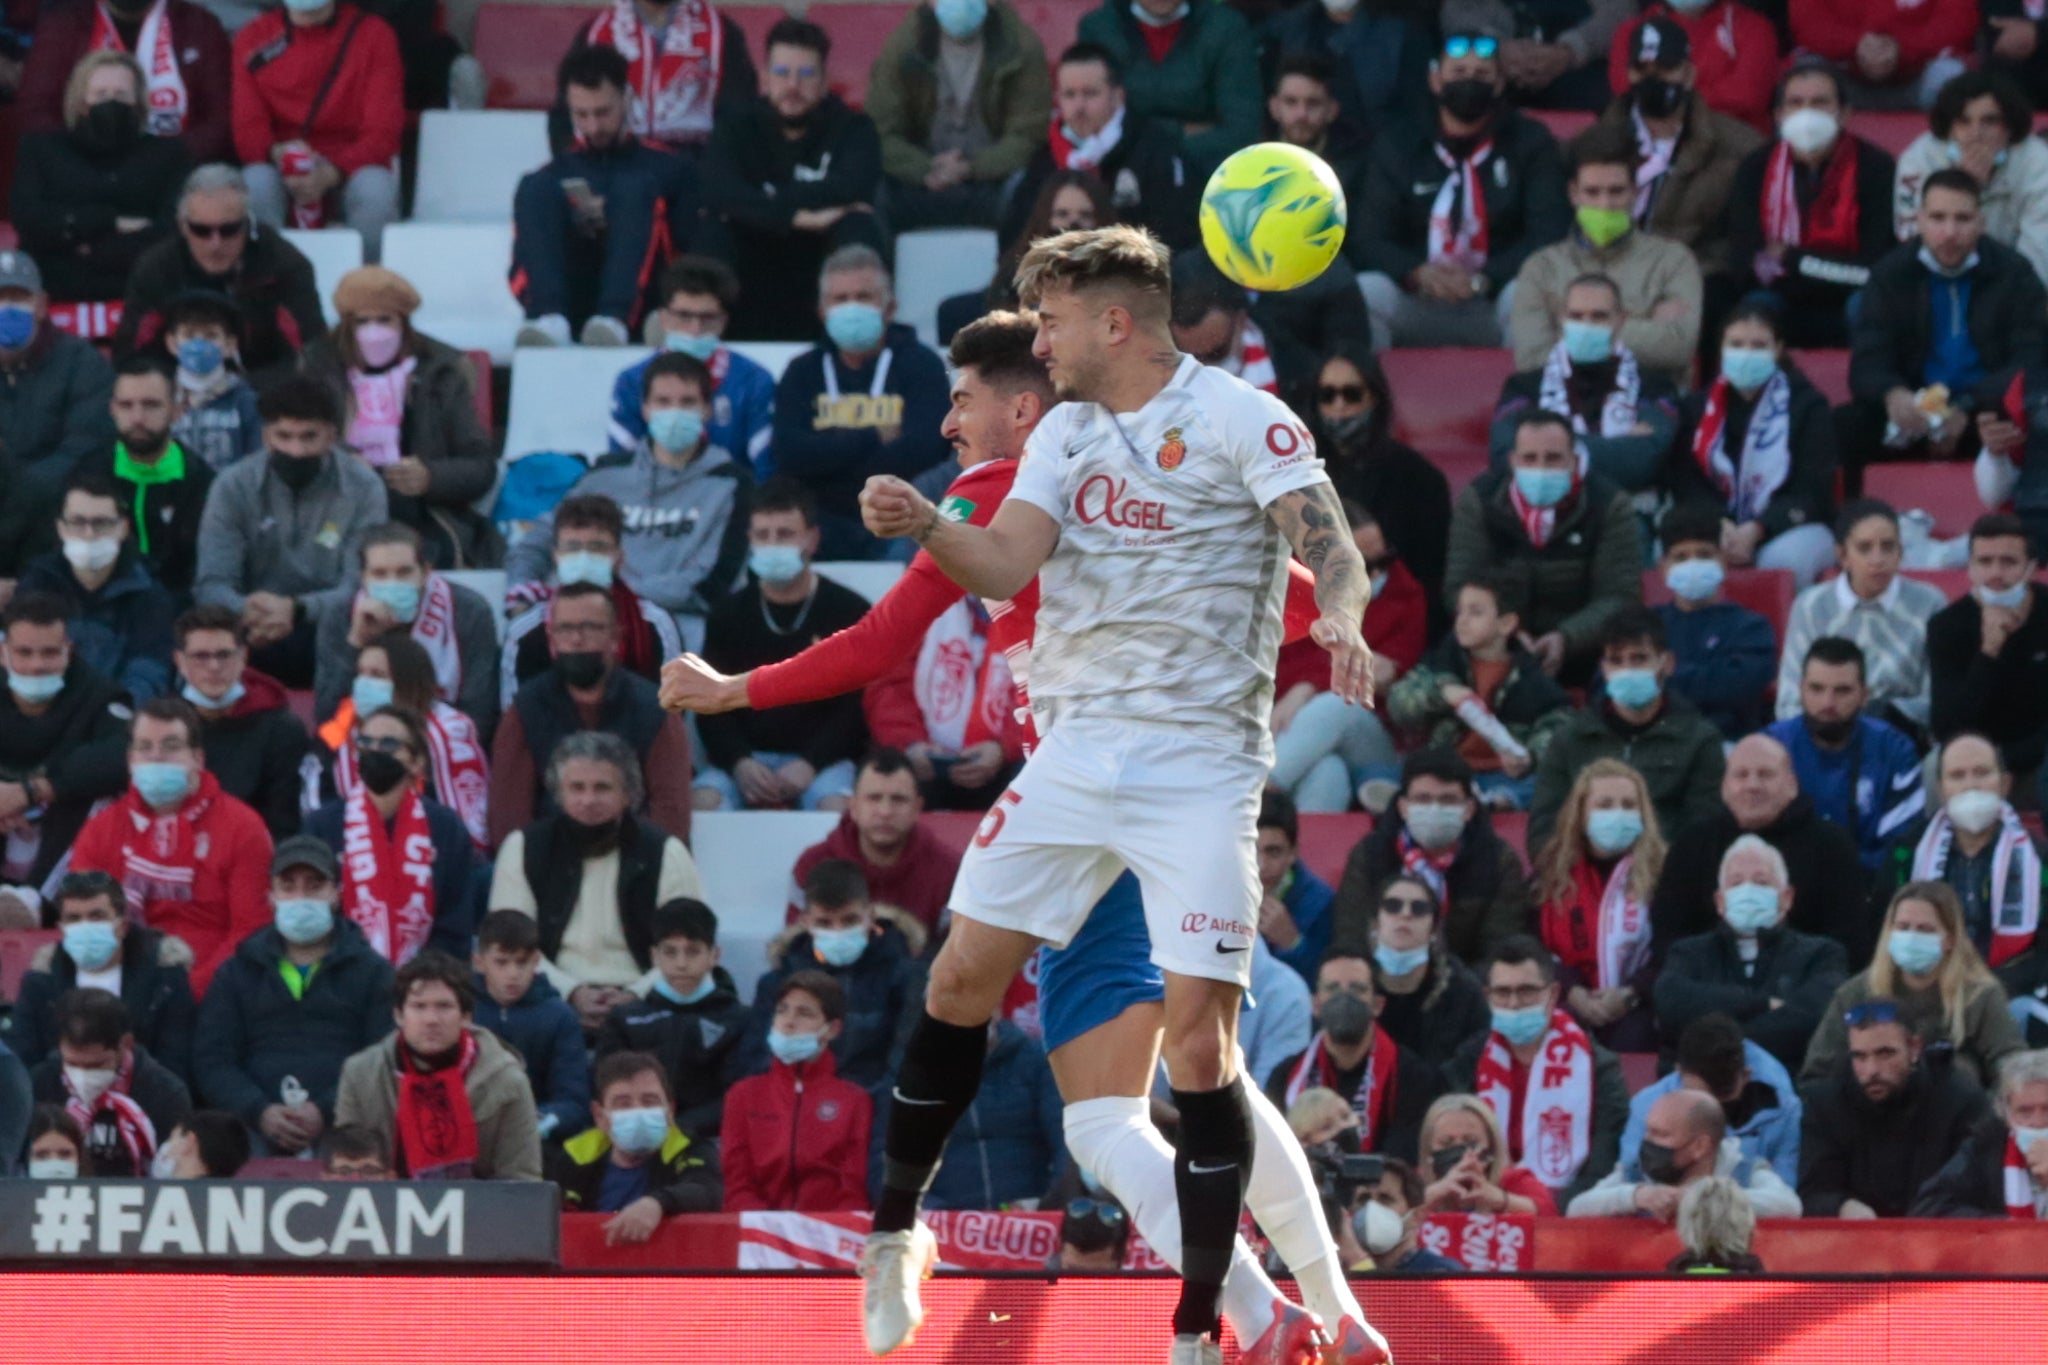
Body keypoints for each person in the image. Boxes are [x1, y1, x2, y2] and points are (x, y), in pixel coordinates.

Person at [662, 306, 1375, 1363]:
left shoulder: (998, 490)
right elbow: (1296, 584)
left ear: (1022, 407)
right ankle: (1327, 1315)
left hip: (1097, 801)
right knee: (1185, 1083)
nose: (947, 425)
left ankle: (1270, 1319)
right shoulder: (1144, 474)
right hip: (1149, 799)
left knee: (1109, 1111)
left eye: (960, 402)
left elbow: (876, 644)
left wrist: (734, 691)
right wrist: (1342, 615)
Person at [846, 222, 1377, 1362]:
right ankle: (895, 1235)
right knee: (956, 977)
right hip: (1079, 758)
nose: (1039, 340)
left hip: (1198, 772)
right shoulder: (1067, 436)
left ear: (1113, 322)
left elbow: (1331, 547)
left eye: (1049, 319)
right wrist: (932, 521)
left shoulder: (1242, 419)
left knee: (1198, 1055)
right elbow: (1004, 563)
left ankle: (1213, 1322)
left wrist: (1340, 612)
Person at [511, 353, 752, 643]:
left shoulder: (732, 484)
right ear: (646, 409)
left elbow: (713, 583)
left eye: (687, 403)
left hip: (678, 627)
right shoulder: (603, 474)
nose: (674, 412)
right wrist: (521, 589)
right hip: (582, 619)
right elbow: (539, 539)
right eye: (663, 402)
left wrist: (620, 595)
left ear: (707, 410)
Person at [1351, 32, 1568, 350]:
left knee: (1529, 294)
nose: (1470, 81)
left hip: (1492, 298)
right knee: (1367, 291)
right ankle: (1366, 397)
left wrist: (1484, 279)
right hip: (1417, 297)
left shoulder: (1530, 142)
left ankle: (1524, 399)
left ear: (1499, 84)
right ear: (1436, 80)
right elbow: (1369, 237)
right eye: (1459, 73)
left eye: (1482, 74)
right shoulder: (1399, 144)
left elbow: (1546, 235)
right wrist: (1416, 273)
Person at [192, 835, 394, 1155]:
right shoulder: (236, 973)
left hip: (346, 1124)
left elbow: (384, 1056)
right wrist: (259, 1110)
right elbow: (212, 1061)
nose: (301, 897)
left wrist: (326, 1109)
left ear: (336, 895)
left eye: (314, 885)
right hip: (253, 1126)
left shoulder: (374, 972)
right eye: (288, 886)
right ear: (270, 897)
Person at [487, 732, 705, 1030]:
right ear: (558, 793)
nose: (588, 800)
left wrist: (636, 995)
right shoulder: (524, 848)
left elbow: (694, 945)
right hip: (550, 999)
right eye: (576, 788)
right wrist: (571, 992)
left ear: (628, 794)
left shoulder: (666, 851)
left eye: (602, 788)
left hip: (648, 1000)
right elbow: (508, 944)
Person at [1845, 170, 2048, 484]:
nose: (1949, 232)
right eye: (1938, 218)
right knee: (1843, 425)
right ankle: (1858, 523)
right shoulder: (1891, 274)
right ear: (1919, 220)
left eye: (1962, 219)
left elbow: (2029, 361)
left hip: (1987, 413)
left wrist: (1967, 409)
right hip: (1912, 415)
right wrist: (1892, 393)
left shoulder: (2014, 274)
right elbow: (1868, 361)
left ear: (1981, 222)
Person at [192, 373, 389, 688]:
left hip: (332, 628)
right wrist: (250, 611)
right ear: (266, 435)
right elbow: (212, 583)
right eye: (284, 436)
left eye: (309, 437)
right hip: (250, 628)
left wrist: (297, 610)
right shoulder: (232, 486)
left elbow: (359, 585)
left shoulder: (364, 488)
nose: (295, 451)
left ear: (332, 436)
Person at [67, 697, 272, 995]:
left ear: (197, 759)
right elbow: (82, 922)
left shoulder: (242, 827)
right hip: (121, 995)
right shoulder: (101, 830)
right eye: (144, 747)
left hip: (216, 994)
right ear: (130, 759)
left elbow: (250, 933)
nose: (156, 757)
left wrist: (188, 993)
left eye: (171, 746)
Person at [698, 18, 885, 344]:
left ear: (825, 80)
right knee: (712, 229)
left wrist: (763, 199)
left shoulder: (853, 127)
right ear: (765, 77)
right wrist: (794, 217)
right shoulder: (736, 127)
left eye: (806, 74)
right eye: (782, 73)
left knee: (858, 224)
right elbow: (720, 191)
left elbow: (854, 186)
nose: (793, 86)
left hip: (819, 252)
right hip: (754, 250)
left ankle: (856, 333)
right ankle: (698, 331)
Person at [300, 269, 498, 570]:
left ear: (404, 323)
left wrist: (431, 477)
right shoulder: (319, 369)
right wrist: (342, 461)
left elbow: (481, 466)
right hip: (336, 507)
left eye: (385, 320)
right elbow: (295, 442)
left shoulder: (443, 372)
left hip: (421, 512)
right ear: (345, 326)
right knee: (320, 559)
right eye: (362, 322)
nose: (374, 332)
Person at [692, 486, 871, 810]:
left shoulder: (849, 611)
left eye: (786, 534)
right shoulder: (726, 615)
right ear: (750, 539)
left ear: (812, 539)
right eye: (763, 534)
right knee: (703, 802)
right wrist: (739, 762)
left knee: (838, 808)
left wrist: (811, 763)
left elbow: (855, 706)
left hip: (823, 764)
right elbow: (710, 703)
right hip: (744, 761)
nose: (773, 544)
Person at [512, 46, 701, 349]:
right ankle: (549, 317)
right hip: (569, 301)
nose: (593, 126)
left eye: (602, 112)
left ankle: (615, 317)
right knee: (535, 188)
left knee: (635, 189)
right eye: (581, 115)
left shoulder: (671, 167)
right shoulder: (553, 175)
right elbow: (520, 267)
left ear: (627, 98)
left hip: (648, 306)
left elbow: (691, 251)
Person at [770, 247, 952, 561]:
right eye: (840, 299)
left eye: (863, 297)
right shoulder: (802, 371)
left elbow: (925, 451)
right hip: (821, 524)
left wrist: (828, 454)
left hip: (900, 518)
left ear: (890, 308)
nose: (851, 307)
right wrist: (873, 436)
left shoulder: (923, 365)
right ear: (822, 310)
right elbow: (789, 454)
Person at [1444, 410, 1643, 686]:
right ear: (1513, 461)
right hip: (1493, 644)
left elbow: (1619, 597)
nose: (1540, 468)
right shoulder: (1480, 500)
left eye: (1553, 458)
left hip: (1584, 655)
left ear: (1573, 461)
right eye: (1529, 458)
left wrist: (1567, 637)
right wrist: (1507, 632)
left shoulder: (1609, 505)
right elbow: (1458, 586)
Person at [487, 584, 697, 846]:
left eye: (589, 628)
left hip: (639, 865)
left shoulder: (654, 709)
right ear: (551, 638)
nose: (576, 639)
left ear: (615, 637)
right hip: (549, 866)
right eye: (565, 629)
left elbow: (671, 813)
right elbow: (508, 817)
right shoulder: (525, 708)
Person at [1666, 302, 1841, 589]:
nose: (1746, 354)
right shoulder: (1696, 407)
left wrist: (1758, 528)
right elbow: (1687, 482)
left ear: (1778, 349)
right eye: (1736, 344)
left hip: (1790, 526)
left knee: (1783, 560)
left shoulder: (1808, 406)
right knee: (1685, 553)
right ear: (1721, 348)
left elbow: (1813, 490)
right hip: (1715, 525)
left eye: (1758, 345)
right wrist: (1718, 523)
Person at [1447, 937, 1630, 1207]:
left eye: (1527, 991)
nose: (1513, 1003)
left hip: (1567, 1213)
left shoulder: (1597, 1066)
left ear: (1553, 994)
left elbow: (1603, 1161)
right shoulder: (1467, 1062)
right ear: (1488, 996)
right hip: (1483, 1206)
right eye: (1502, 992)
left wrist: (1545, 1210)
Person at [1726, 61, 1898, 348]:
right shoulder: (1755, 168)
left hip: (1851, 298)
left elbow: (1874, 268)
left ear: (1844, 114)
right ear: (1779, 116)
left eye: (1820, 102)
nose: (1807, 113)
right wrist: (1821, 269)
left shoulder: (1876, 167)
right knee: (1751, 312)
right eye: (1796, 103)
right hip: (1782, 299)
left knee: (1871, 308)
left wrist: (1793, 259)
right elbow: (1747, 264)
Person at [1267, 502, 1424, 812]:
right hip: (1291, 734)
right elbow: (1273, 669)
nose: (1379, 573)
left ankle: (1256, 795)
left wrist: (1307, 687)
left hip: (1375, 741)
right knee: (1328, 772)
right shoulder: (1293, 593)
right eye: (1364, 565)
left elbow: (1375, 675)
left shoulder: (1404, 595)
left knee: (1338, 703)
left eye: (1385, 559)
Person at [1529, 607, 1725, 854]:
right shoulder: (1570, 737)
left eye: (1639, 659)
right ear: (1603, 668)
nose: (1627, 670)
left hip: (1665, 877)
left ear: (1667, 664)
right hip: (1583, 878)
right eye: (1616, 661)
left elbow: (1703, 830)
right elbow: (1544, 828)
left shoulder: (1700, 740)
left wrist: (1649, 868)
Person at [1510, 130, 1702, 382]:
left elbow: (1677, 348)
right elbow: (1531, 359)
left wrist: (1572, 332)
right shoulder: (1541, 267)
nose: (1604, 204)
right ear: (1573, 193)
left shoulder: (1673, 261)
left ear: (1634, 192)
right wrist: (1636, 324)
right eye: (1592, 192)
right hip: (1562, 401)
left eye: (1616, 191)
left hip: (1648, 400)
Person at [1652, 732, 1874, 948]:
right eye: (1741, 775)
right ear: (1724, 787)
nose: (1752, 785)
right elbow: (1669, 938)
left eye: (1766, 774)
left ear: (1792, 785)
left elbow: (1848, 942)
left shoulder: (1832, 846)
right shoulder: (1692, 845)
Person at [334, 950, 543, 1180]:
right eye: (419, 1006)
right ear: (398, 1015)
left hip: (478, 1211)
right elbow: (347, 1172)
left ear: (466, 1016)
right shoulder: (360, 1073)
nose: (431, 1019)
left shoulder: (508, 1082)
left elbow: (522, 1183)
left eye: (444, 1006)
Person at [113, 165, 328, 387]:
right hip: (176, 398)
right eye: (201, 230)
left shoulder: (284, 266)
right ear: (183, 226)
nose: (215, 244)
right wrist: (187, 386)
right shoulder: (156, 269)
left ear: (247, 224)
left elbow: (310, 357)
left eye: (229, 230)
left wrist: (236, 389)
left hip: (264, 398)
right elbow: (131, 357)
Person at [1653, 834, 1851, 1072]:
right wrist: (1762, 1003)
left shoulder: (1822, 954)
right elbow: (1671, 1003)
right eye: (1736, 883)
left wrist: (1714, 1041)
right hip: (1696, 1091)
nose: (1748, 890)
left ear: (1786, 898)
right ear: (1720, 901)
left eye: (1761, 882)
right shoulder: (1688, 952)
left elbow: (1813, 1019)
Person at [1577, 18, 1761, 271]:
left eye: (1666, 67)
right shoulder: (1590, 145)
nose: (1653, 78)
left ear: (1689, 74)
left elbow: (1732, 246)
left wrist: (1674, 278)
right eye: (1642, 68)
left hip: (1688, 283)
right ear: (1628, 74)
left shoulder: (1738, 148)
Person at [1803, 882, 2026, 1089]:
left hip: (1956, 1118)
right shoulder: (1855, 993)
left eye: (1925, 929)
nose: (1911, 937)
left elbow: (2014, 1072)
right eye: (1903, 927)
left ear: (1949, 939)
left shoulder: (1980, 995)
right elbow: (1816, 1075)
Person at [12, 51, 190, 305]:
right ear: (82, 102)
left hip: (142, 291)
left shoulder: (169, 154)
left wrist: (89, 248)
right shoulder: (41, 148)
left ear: (138, 102)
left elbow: (172, 231)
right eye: (101, 94)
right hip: (55, 290)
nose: (111, 101)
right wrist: (109, 220)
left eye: (121, 95)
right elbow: (29, 219)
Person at [304, 703, 476, 965]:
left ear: (417, 762)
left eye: (388, 745)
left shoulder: (446, 828)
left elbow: (456, 924)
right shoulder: (322, 826)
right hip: (341, 977)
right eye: (365, 742)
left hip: (425, 985)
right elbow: (314, 920)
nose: (374, 751)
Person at [230, 0, 402, 257]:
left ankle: (368, 286)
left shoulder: (374, 35)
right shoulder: (252, 38)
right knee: (256, 183)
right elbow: (248, 130)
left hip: (350, 170)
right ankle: (264, 286)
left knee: (375, 189)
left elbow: (383, 133)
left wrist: (330, 173)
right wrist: (282, 155)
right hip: (282, 169)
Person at [738, 858, 926, 1091]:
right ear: (806, 923)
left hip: (872, 1107)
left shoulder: (904, 976)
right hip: (796, 1106)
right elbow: (755, 1063)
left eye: (849, 920)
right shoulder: (778, 981)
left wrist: (855, 1109)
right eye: (825, 923)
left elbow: (906, 1064)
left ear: (870, 916)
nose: (838, 932)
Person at [1329, 750, 1531, 967]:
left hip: (1464, 988)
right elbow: (1351, 939)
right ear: (1403, 807)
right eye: (1423, 799)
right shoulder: (1371, 854)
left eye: (1448, 800)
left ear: (1469, 808)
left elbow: (1497, 952)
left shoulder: (1498, 862)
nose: (1435, 809)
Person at [1386, 575, 1570, 813]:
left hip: (1501, 776)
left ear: (1506, 624)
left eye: (1475, 612)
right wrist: (1440, 695)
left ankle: (1496, 801)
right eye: (1460, 612)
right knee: (1375, 772)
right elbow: (1398, 706)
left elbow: (1555, 737)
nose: (1462, 621)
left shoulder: (1535, 683)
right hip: (1443, 774)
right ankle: (1461, 799)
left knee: (1549, 784)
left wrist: (1529, 758)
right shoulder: (1442, 663)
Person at [864, 0, 1049, 232]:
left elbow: (1027, 135)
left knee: (1036, 186)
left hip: (994, 181)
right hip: (918, 181)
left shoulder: (1021, 46)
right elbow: (879, 133)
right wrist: (924, 169)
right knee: (868, 190)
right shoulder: (902, 47)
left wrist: (973, 168)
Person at [1798, 999, 1991, 1218]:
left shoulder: (1960, 1098)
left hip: (1939, 1239)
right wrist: (1842, 1206)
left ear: (1915, 1048)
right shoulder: (1826, 1104)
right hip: (1854, 1241)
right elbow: (1813, 1191)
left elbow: (1979, 1188)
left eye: (1885, 1054)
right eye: (1860, 1057)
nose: (1871, 1070)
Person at [1490, 272, 1679, 495]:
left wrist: (1547, 451)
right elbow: (1504, 455)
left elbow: (1645, 463)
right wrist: (1618, 445)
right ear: (1561, 319)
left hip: (1627, 512)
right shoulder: (1523, 387)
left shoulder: (1655, 387)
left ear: (1621, 320)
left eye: (1598, 316)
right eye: (1576, 316)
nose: (1586, 325)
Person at [0, 594, 133, 899]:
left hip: (62, 830)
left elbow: (121, 756)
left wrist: (31, 792)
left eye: (49, 653)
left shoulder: (101, 695)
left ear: (68, 651)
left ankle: (44, 901)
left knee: (98, 792)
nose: (37, 665)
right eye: (24, 653)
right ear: (3, 653)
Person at [1890, 734, 2046, 990]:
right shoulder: (1907, 853)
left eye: (1982, 773)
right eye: (1958, 776)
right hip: (1925, 986)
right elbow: (1887, 929)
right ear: (1941, 790)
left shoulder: (2038, 857)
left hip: (2012, 990)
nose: (1971, 785)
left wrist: (1990, 990)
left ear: (2005, 784)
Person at [1773, 501, 1947, 731]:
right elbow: (1789, 702)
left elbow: (1937, 699)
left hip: (1901, 735)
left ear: (1900, 552)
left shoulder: (1930, 603)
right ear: (1843, 555)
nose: (1877, 559)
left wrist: (1884, 715)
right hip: (1823, 733)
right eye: (1865, 548)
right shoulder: (1811, 606)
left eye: (1888, 547)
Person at [312, 524, 499, 732]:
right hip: (362, 739)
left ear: (425, 572)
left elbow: (479, 712)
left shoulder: (469, 611)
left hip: (442, 741)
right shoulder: (341, 614)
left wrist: (422, 748)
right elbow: (327, 719)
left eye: (404, 572)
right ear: (363, 578)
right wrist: (356, 642)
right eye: (380, 574)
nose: (393, 583)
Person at [11, 870, 196, 1080]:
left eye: (96, 916)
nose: (85, 926)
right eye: (74, 918)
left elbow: (176, 1059)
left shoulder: (165, 975)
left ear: (123, 926)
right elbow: (23, 1058)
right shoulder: (42, 979)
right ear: (61, 928)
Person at [1004, 43, 1188, 252]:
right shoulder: (1044, 159)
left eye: (1090, 93)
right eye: (1069, 95)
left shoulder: (1154, 151)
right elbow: (1013, 243)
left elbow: (1174, 239)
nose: (1079, 106)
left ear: (1118, 96)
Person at [318, 630, 491, 854]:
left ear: (407, 680)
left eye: (377, 675)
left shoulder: (448, 730)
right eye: (360, 674)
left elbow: (468, 828)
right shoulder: (343, 728)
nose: (364, 683)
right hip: (358, 855)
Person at [1532, 758, 1663, 1051]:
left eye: (1629, 805)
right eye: (1605, 805)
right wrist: (1572, 990)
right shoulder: (1551, 874)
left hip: (1639, 1006)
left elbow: (1674, 950)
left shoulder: (1665, 874)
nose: (1618, 814)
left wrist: (1631, 993)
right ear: (1581, 814)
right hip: (1567, 999)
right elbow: (1530, 945)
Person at [1267, 950, 1445, 1164]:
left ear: (1377, 1005)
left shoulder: (1412, 1077)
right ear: (1315, 1005)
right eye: (1333, 989)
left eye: (1357, 989)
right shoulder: (1284, 1077)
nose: (1344, 999)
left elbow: (1403, 1163)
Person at [1308, 343, 1450, 611]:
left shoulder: (1419, 478)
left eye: (1351, 394)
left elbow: (1430, 579)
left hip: (1396, 620)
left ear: (1373, 396)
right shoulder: (1300, 472)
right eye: (1327, 395)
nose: (1339, 405)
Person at [609, 256, 776, 477]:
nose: (695, 329)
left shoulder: (754, 381)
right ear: (664, 318)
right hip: (651, 502)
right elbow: (619, 468)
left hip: (731, 500)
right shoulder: (632, 381)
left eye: (707, 318)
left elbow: (766, 469)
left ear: (723, 321)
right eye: (684, 316)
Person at [722, 970, 874, 1211]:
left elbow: (852, 1188)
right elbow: (737, 1184)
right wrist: (769, 1228)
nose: (789, 1022)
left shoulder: (855, 1100)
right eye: (782, 1010)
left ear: (833, 1029)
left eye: (804, 1013)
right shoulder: (742, 1095)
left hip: (827, 1234)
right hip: (757, 1232)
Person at [1767, 637, 1925, 869]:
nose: (1828, 703)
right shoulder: (1770, 747)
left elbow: (1903, 849)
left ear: (1864, 695)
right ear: (1800, 690)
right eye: (1816, 689)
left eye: (1842, 691)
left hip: (1870, 891)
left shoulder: (1895, 752)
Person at [861, 593, 1026, 812]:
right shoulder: (917, 604)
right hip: (925, 758)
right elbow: (888, 688)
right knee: (890, 777)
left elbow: (1049, 698)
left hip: (1008, 761)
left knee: (1034, 772)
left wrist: (1004, 749)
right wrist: (911, 744)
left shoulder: (1046, 611)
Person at [595, 898, 746, 1137]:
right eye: (670, 952)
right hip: (631, 1135)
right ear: (654, 956)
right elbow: (606, 1085)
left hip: (706, 1139)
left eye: (693, 951)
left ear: (715, 955)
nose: (681, 964)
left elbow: (738, 1095)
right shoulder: (624, 1019)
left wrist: (682, 1129)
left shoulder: (738, 1019)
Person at [18, 474, 177, 701]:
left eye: (101, 523)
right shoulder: (37, 584)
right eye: (78, 522)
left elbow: (149, 672)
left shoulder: (148, 594)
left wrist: (116, 711)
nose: (89, 534)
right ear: (61, 528)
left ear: (122, 528)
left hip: (115, 718)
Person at [16, 0, 232, 164]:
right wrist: (79, 157)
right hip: (83, 168)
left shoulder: (200, 25)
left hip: (175, 170)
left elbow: (221, 119)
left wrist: (168, 155)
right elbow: (36, 111)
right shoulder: (64, 25)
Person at [1894, 72, 2048, 289]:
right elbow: (1911, 245)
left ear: (2009, 127)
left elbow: (2040, 261)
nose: (1976, 133)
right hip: (1932, 287)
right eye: (1963, 121)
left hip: (2015, 292)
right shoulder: (1919, 159)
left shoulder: (2038, 163)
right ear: (1949, 128)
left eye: (1990, 121)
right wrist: (1962, 188)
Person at [76, 353, 212, 597]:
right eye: (126, 405)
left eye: (151, 405)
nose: (137, 418)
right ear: (112, 410)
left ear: (177, 409)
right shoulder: (87, 476)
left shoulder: (203, 481)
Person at [0, 248, 117, 534]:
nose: (6, 309)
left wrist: (17, 492)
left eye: (18, 298)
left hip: (57, 518)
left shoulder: (82, 363)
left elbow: (85, 451)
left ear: (41, 305)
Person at [784, 750, 961, 939]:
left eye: (898, 800)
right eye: (874, 798)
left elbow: (955, 957)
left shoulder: (948, 870)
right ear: (853, 806)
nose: (885, 812)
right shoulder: (812, 864)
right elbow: (795, 949)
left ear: (917, 808)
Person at [1620, 1013, 1802, 1191]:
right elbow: (1628, 1180)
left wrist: (1704, 1200)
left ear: (1746, 1075)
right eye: (1700, 1100)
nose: (1711, 1114)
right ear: (1679, 1072)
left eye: (1723, 1103)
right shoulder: (1647, 1105)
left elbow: (1784, 1192)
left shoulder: (1784, 1108)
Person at [1927, 517, 2048, 784]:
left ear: (2030, 568)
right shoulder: (1946, 626)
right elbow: (1946, 727)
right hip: (1977, 758)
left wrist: (2009, 759)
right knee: (1934, 765)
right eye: (1985, 562)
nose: (1995, 573)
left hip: (2039, 756)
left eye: (2009, 562)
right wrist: (1988, 651)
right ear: (1969, 568)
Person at [548, 1050, 721, 1236]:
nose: (638, 1111)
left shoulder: (692, 1149)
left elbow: (707, 1190)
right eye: (623, 1104)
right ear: (599, 1115)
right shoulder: (575, 1158)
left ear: (670, 1110)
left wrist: (657, 1203)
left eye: (650, 1101)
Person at [1072, 0, 1259, 171]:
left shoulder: (1226, 28)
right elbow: (1090, 124)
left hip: (1206, 175)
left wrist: (1141, 139)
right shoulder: (1098, 28)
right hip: (1116, 176)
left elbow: (1242, 131)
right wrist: (1182, 131)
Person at [1566, 1088, 1801, 1218]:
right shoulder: (1636, 1173)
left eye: (1661, 1134)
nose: (1648, 1142)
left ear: (1700, 1146)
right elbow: (1576, 1208)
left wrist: (1701, 1198)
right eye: (1648, 1131)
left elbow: (1789, 1206)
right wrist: (1636, 1196)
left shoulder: (1743, 1168)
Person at [1650, 502, 1778, 740]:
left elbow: (1738, 689)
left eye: (1704, 555)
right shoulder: (1644, 627)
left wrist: (1659, 678)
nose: (1693, 564)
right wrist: (1708, 677)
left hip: (1729, 744)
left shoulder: (1752, 628)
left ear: (1723, 560)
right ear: (1663, 568)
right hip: (1656, 743)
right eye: (1681, 557)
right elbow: (1607, 684)